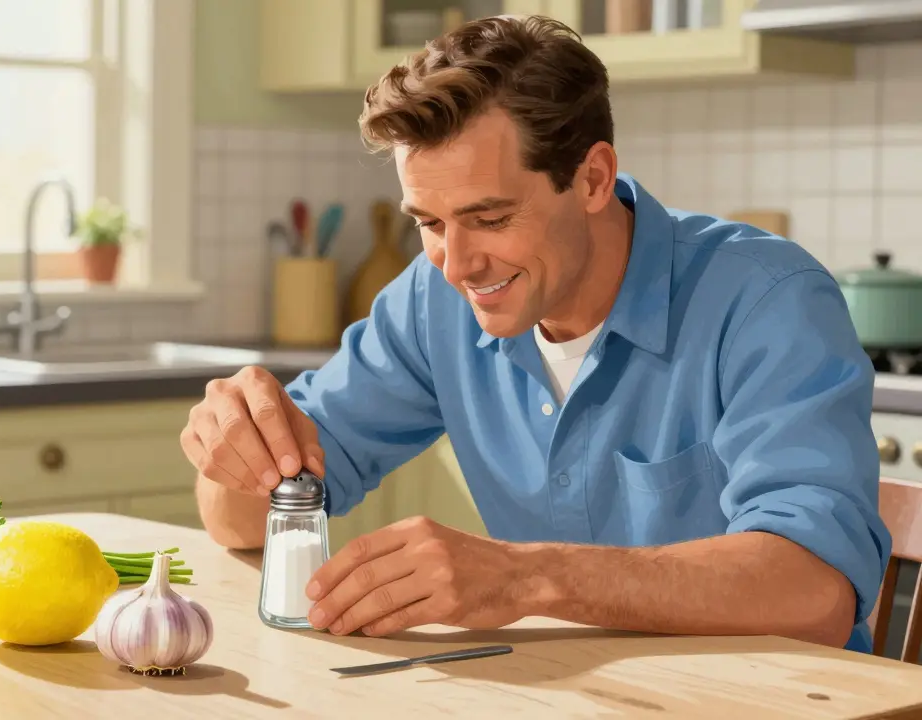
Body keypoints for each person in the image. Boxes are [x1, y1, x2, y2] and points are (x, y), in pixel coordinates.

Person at [181, 14, 891, 653]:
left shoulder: (765, 301)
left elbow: (817, 593)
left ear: (593, 179)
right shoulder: (433, 301)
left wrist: (528, 577)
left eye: (490, 219)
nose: (457, 264)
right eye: (429, 223)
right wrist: (239, 451)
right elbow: (242, 518)